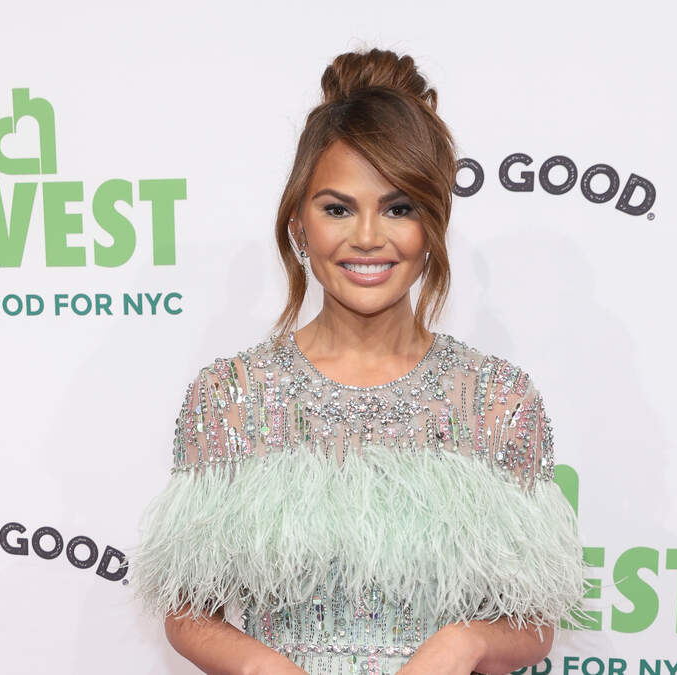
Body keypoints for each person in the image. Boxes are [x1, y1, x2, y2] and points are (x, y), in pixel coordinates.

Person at [128, 47, 588, 675]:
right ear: (300, 225)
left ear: (433, 225)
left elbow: (533, 625)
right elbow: (187, 614)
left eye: (399, 208)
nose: (368, 237)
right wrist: (266, 667)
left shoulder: (496, 400)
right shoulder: (232, 395)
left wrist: (464, 642)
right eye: (338, 208)